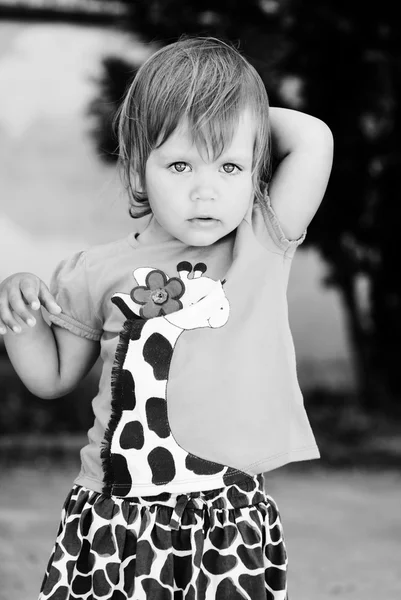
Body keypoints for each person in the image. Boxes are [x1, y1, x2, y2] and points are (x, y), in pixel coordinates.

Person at [0, 37, 333, 600]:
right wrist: (19, 307)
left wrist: (225, 113)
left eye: (231, 164)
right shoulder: (92, 270)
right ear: (136, 164)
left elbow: (314, 137)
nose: (206, 191)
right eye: (179, 163)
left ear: (255, 167)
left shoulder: (262, 238)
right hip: (114, 512)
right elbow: (50, 379)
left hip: (226, 514)